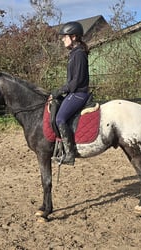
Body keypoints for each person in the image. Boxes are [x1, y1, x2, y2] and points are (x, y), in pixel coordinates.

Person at [52, 21, 90, 165]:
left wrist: (61, 90)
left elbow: (77, 81)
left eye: (65, 37)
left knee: (60, 119)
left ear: (73, 37)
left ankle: (70, 154)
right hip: (74, 92)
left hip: (79, 93)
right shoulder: (74, 53)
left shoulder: (79, 54)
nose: (62, 39)